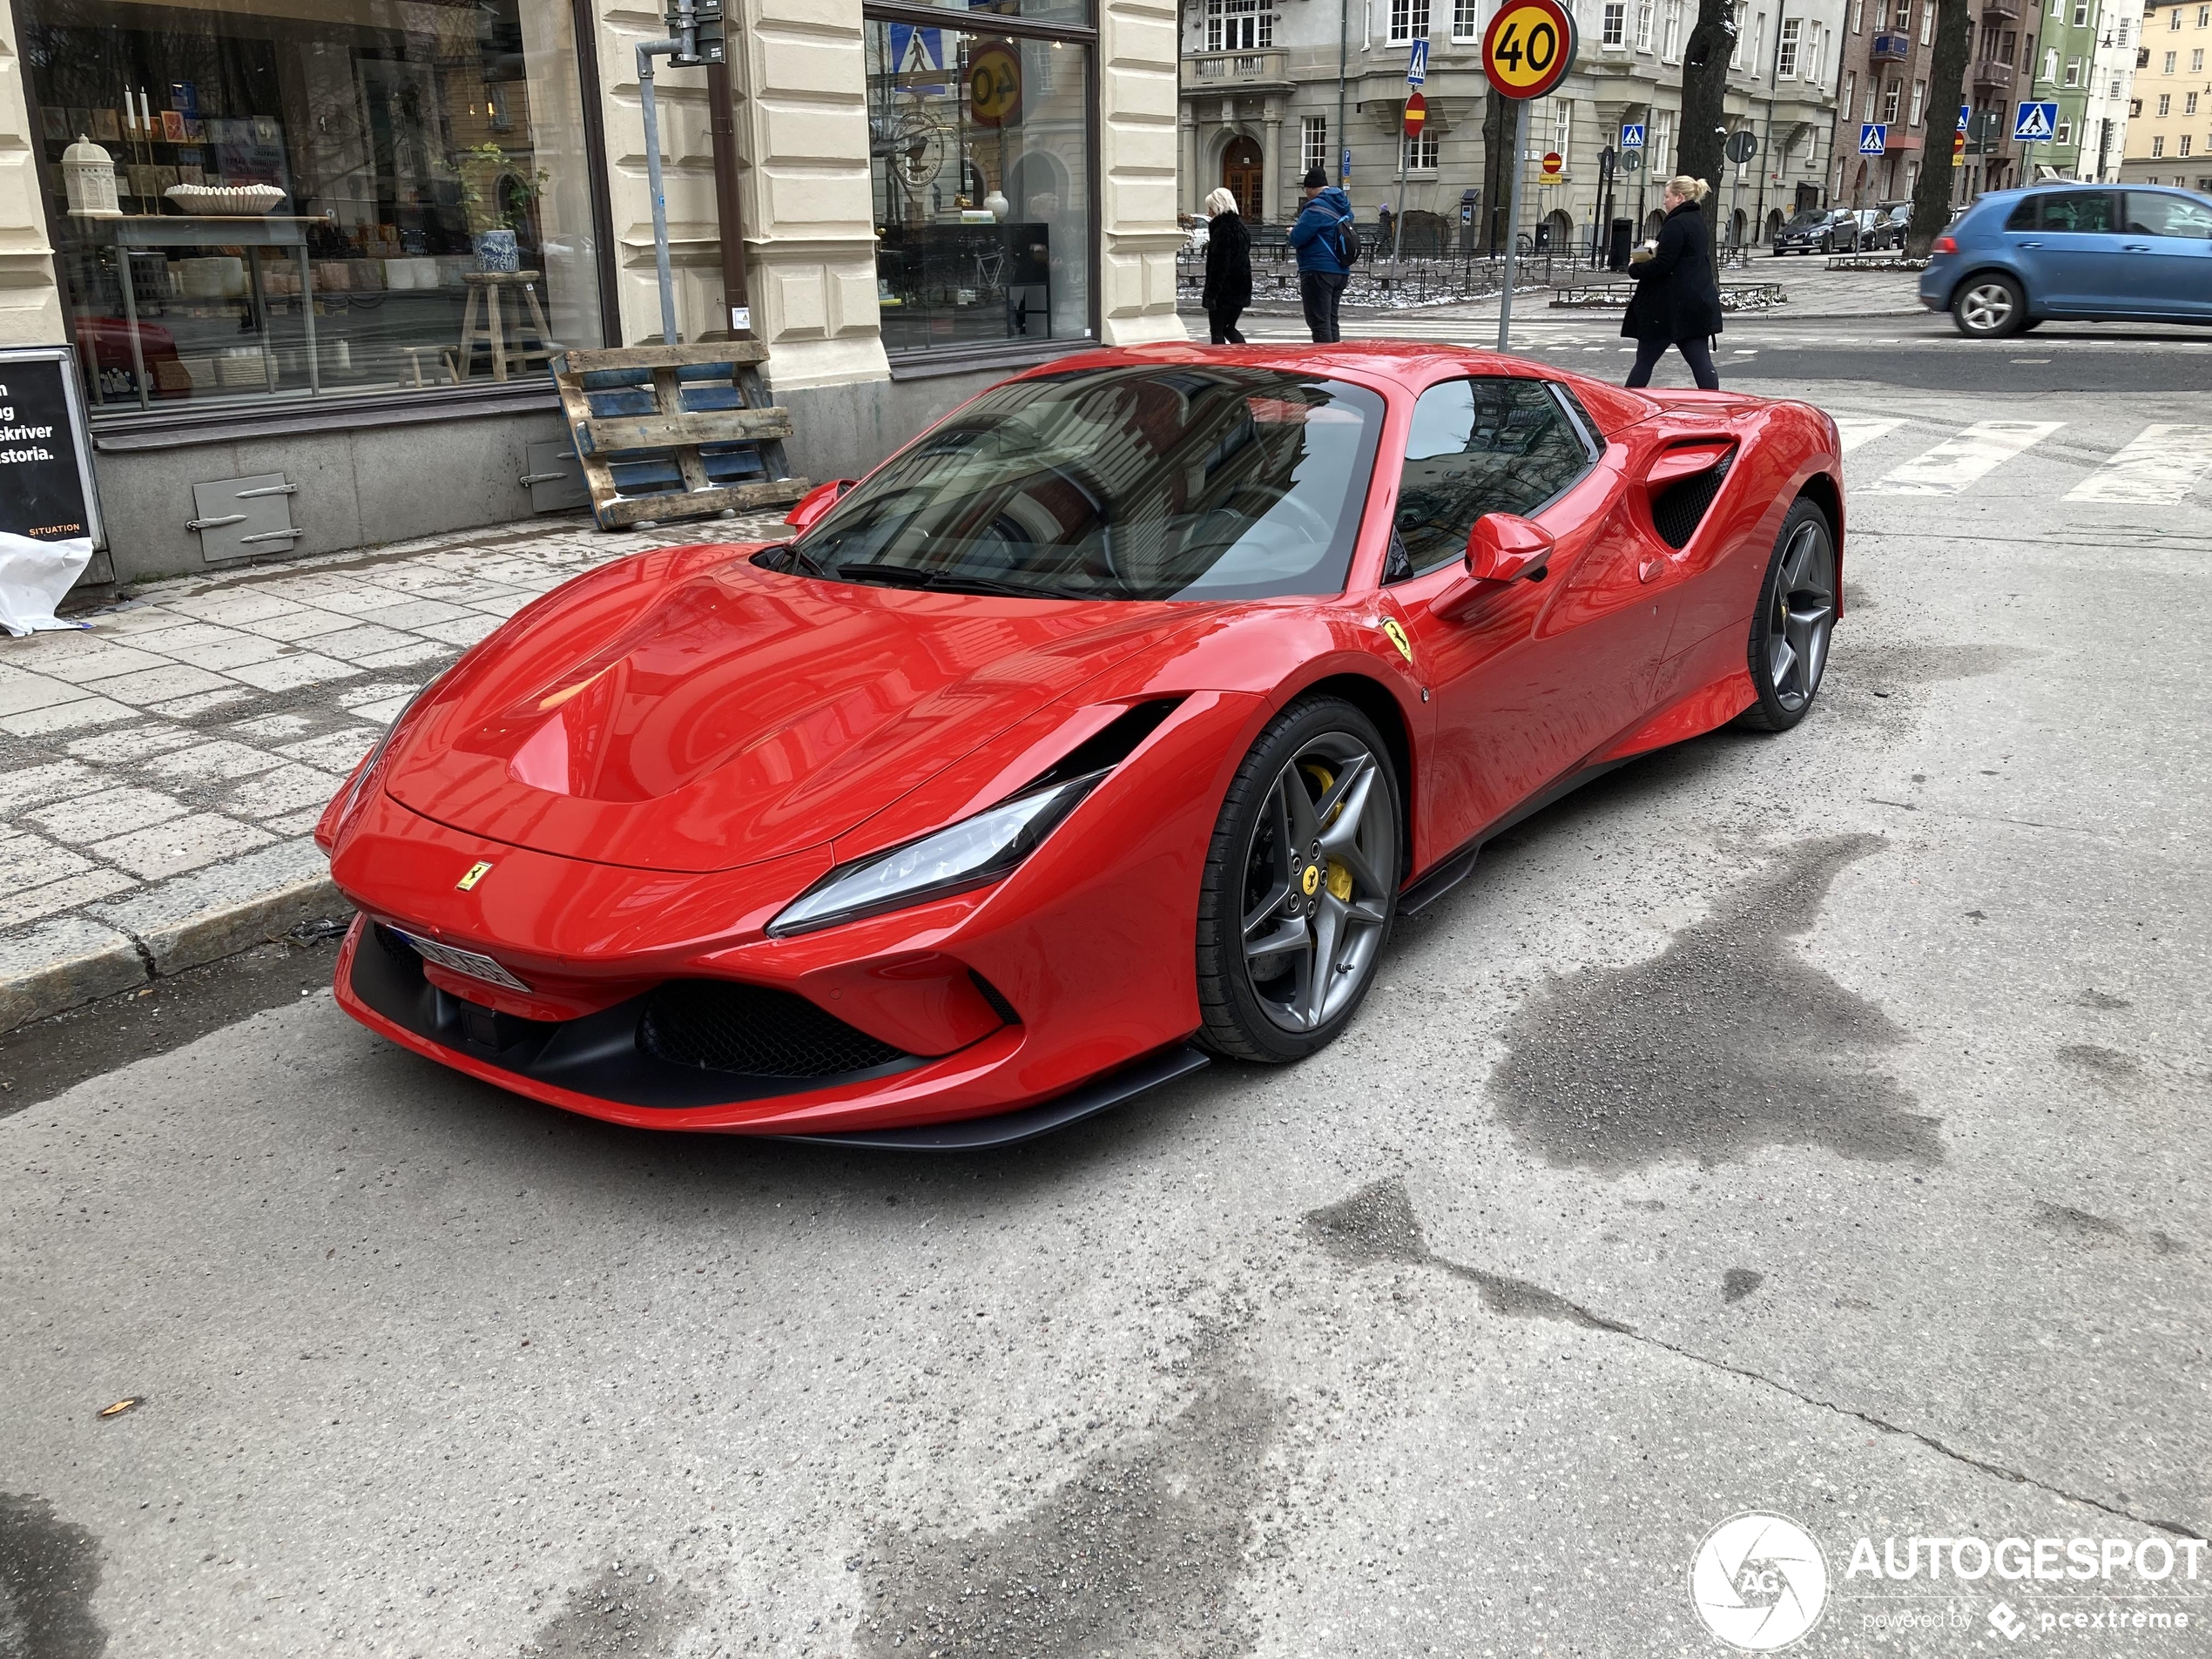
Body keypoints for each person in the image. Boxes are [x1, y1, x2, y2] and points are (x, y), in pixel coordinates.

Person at [1622, 175, 1723, 390]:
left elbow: (1662, 263)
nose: (1664, 201)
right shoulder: (1696, 221)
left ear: (1679, 197)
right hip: (1694, 305)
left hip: (1668, 310)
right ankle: (1715, 402)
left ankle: (1627, 404)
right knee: (1700, 362)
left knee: (1644, 360)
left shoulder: (1677, 224)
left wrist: (1634, 267)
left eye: (1667, 196)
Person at [1288, 167, 1354, 343]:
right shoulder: (1343, 206)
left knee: (1319, 322)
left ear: (1309, 187)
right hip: (1340, 268)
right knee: (1331, 321)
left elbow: (1297, 238)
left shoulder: (1314, 209)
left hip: (1318, 269)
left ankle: (1323, 363)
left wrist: (1291, 232)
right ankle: (1335, 359)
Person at [1200, 185, 1251, 345]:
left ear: (1217, 207)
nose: (1209, 213)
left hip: (1224, 291)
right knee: (1229, 328)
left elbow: (1219, 265)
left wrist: (1211, 294)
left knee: (1217, 330)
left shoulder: (1221, 230)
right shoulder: (1242, 227)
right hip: (1241, 287)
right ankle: (1245, 357)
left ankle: (1220, 364)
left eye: (1210, 209)